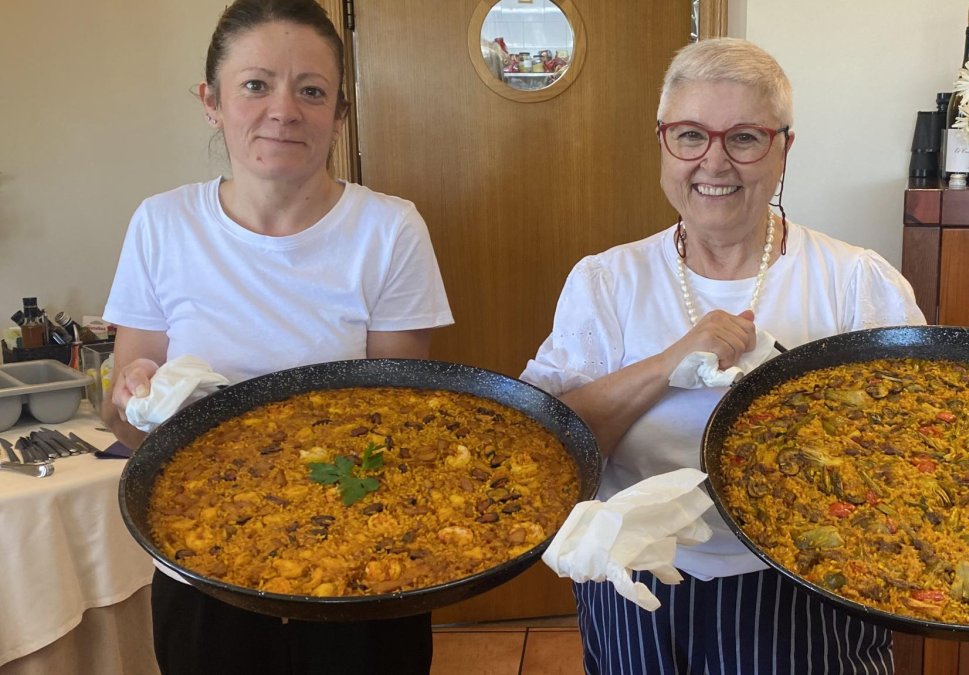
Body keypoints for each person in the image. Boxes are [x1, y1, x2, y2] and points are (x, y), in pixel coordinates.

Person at [521, 38, 925, 674]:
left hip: (808, 581)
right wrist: (667, 363)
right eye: (689, 135)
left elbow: (914, 453)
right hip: (637, 579)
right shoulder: (607, 280)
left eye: (744, 137)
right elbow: (550, 444)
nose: (714, 161)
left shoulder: (855, 282)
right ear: (663, 143)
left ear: (784, 148)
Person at [100, 1, 453, 673]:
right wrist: (137, 394)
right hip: (201, 565)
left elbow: (397, 425)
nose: (284, 110)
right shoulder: (161, 224)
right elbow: (129, 425)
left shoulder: (390, 229)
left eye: (311, 90)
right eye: (256, 84)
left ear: (340, 111)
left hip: (359, 571)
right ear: (212, 101)